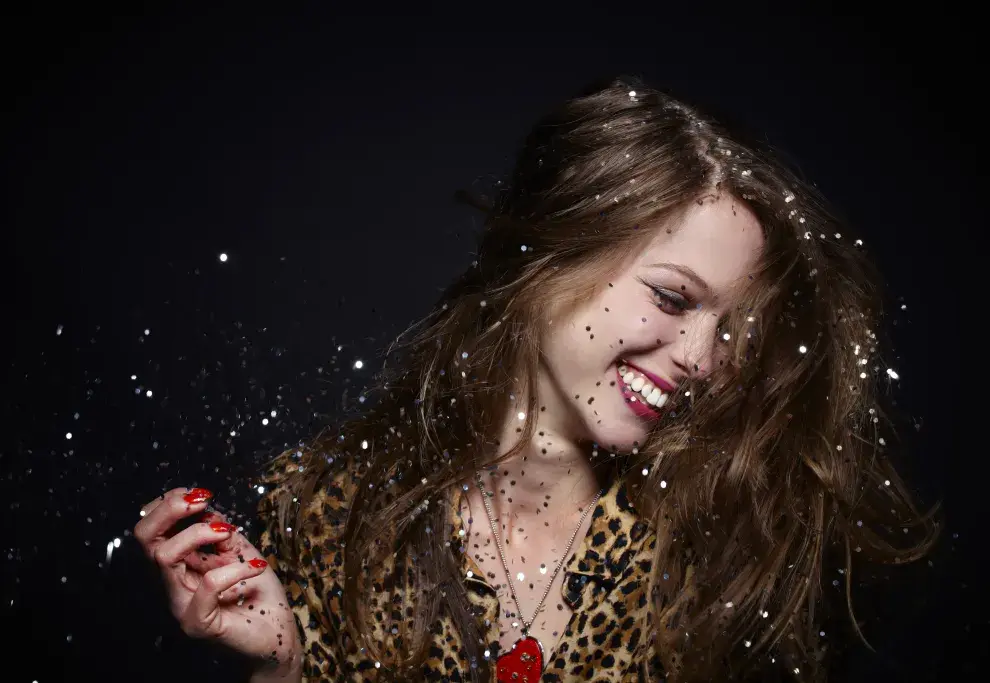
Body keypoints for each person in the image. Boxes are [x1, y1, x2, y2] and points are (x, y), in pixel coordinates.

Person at [134, 75, 939, 682]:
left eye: (733, 331)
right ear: (555, 249)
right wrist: (284, 663)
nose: (704, 356)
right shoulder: (324, 511)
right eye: (672, 297)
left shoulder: (734, 547)